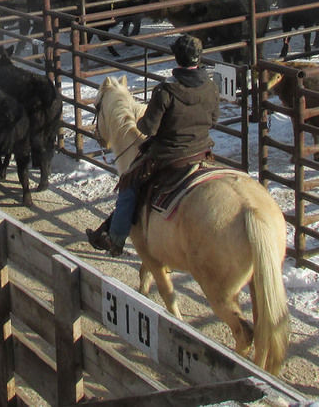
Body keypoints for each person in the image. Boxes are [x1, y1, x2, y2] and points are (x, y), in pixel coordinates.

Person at [87, 34, 221, 256]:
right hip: (201, 150)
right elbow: (214, 119)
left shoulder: (166, 91)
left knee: (129, 186)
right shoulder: (211, 87)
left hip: (169, 154)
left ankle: (116, 239)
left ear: (177, 58)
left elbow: (148, 129)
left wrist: (140, 119)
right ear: (198, 59)